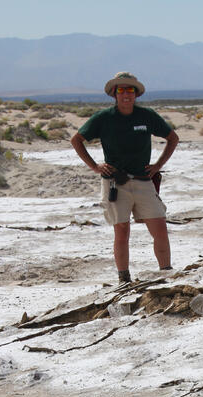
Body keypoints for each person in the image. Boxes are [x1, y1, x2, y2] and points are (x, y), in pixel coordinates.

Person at [70, 71, 179, 284]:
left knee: (159, 226)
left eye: (130, 90)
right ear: (114, 94)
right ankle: (124, 279)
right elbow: (77, 140)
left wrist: (158, 165)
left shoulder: (146, 116)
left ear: (136, 94)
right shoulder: (104, 118)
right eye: (121, 90)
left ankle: (166, 272)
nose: (126, 94)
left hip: (143, 181)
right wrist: (95, 166)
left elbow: (172, 138)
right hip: (115, 183)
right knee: (121, 230)